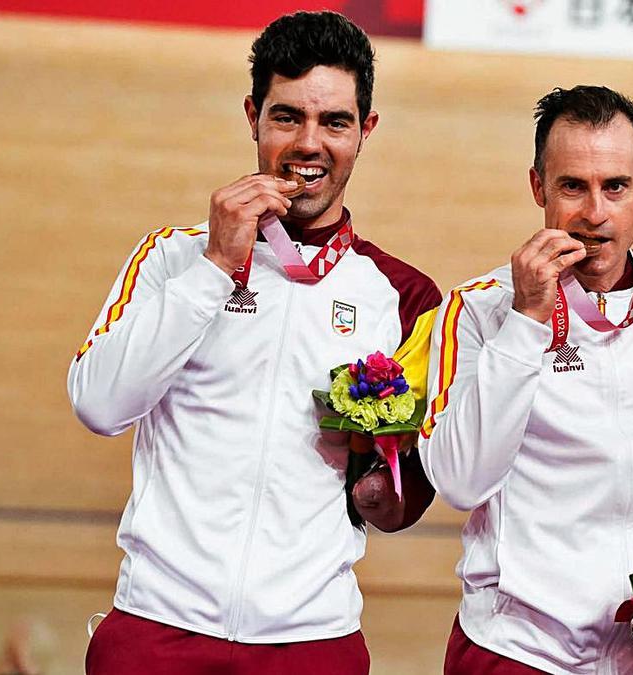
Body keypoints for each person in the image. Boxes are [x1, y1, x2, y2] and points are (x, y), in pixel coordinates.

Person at [67, 11, 441, 674]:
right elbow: (99, 404)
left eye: (335, 122)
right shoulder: (171, 258)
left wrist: (377, 487)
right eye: (287, 116)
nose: (309, 143)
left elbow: (407, 494)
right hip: (158, 628)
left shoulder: (404, 295)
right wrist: (215, 264)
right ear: (252, 116)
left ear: (367, 130)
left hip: (315, 639)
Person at [417, 85, 633, 675]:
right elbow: (461, 482)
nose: (595, 212)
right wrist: (527, 322)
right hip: (518, 653)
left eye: (615, 186)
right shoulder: (478, 311)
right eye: (572, 186)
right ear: (538, 187)